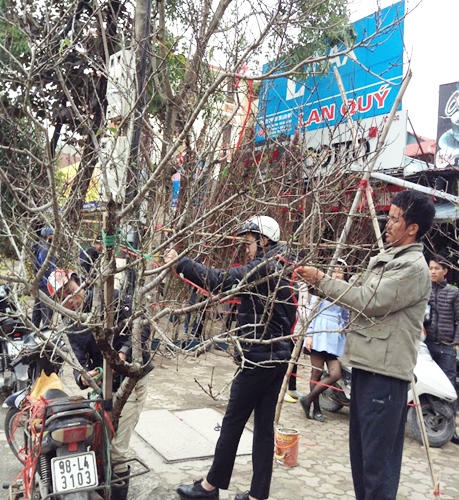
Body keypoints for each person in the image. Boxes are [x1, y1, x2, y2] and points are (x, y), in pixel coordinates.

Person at [295, 190, 435, 500]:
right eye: (388, 217)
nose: (388, 224)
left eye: (395, 219)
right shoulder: (386, 260)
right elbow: (353, 291)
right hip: (367, 367)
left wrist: (321, 279)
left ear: (413, 228)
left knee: (376, 468)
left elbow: (366, 301)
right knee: (361, 460)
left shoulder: (412, 268)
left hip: (385, 377)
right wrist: (317, 283)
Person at [165, 215, 297, 500]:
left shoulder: (265, 267)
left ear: (263, 240)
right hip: (277, 358)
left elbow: (219, 281)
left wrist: (181, 263)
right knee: (263, 429)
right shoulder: (283, 265)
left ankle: (210, 486)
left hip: (259, 359)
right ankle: (257, 495)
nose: (246, 249)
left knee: (233, 422)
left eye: (249, 242)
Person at [47, 268, 153, 500]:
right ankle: (102, 487)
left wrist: (122, 355)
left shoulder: (111, 298)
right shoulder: (71, 322)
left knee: (116, 452)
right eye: (62, 297)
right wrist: (83, 377)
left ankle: (117, 492)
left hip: (131, 379)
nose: (70, 299)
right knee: (96, 440)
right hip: (104, 384)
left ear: (77, 282)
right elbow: (77, 361)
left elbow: (143, 328)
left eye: (70, 290)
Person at [299, 260, 349, 421]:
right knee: (317, 372)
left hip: (335, 336)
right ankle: (316, 408)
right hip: (319, 331)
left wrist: (344, 328)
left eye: (340, 271)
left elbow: (346, 315)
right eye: (335, 270)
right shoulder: (322, 286)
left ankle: (307, 399)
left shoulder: (346, 290)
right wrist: (309, 335)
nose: (337, 274)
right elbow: (312, 312)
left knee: (335, 374)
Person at [424, 255, 459, 444]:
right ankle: (425, 420)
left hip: (446, 347)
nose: (433, 271)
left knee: (448, 387)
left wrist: (454, 342)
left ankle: (450, 429)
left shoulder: (453, 292)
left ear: (445, 271)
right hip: (427, 345)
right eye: (430, 268)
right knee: (426, 382)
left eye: (437, 268)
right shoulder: (425, 290)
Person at [32, 226, 56, 328]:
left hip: (39, 283)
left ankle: (33, 328)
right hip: (45, 284)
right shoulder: (45, 250)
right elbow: (46, 268)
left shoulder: (40, 247)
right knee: (47, 309)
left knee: (37, 308)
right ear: (48, 236)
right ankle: (46, 330)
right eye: (53, 234)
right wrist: (50, 285)